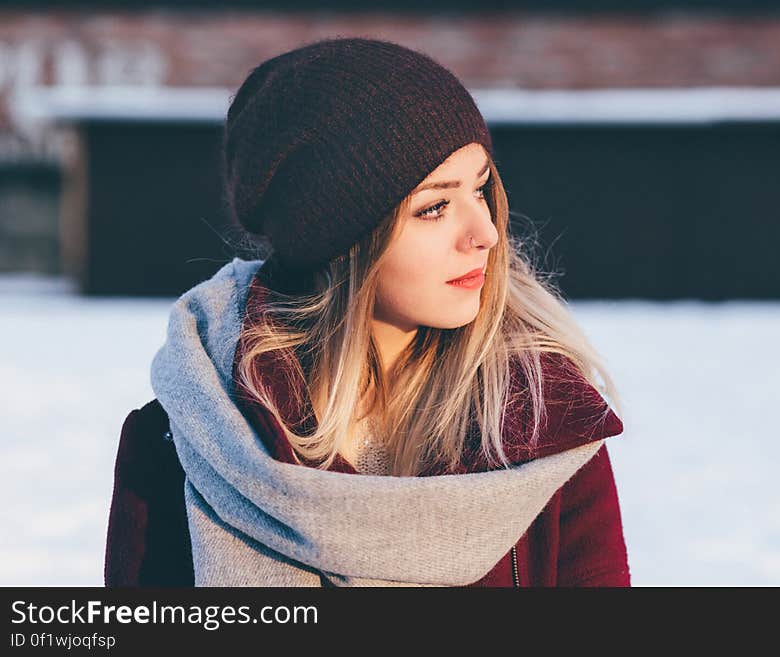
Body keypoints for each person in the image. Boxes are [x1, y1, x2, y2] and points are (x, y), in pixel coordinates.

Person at [104, 36, 631, 587]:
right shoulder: (191, 440)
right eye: (434, 207)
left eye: (480, 190)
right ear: (340, 241)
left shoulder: (540, 430)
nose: (486, 233)